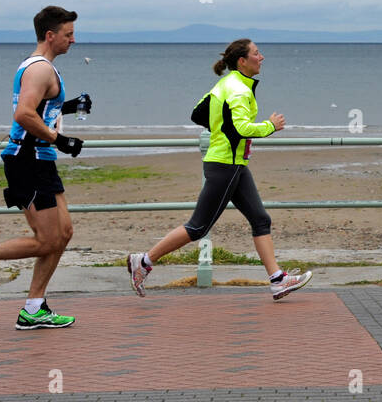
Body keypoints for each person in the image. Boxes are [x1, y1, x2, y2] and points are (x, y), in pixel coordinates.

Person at [126, 39, 311, 299]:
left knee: (260, 219)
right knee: (198, 227)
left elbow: (198, 113)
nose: (262, 57)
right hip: (226, 165)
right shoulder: (238, 89)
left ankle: (277, 279)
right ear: (242, 61)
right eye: (257, 54)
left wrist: (220, 127)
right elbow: (241, 129)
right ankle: (144, 261)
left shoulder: (226, 84)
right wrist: (270, 125)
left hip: (233, 164)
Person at [0, 6, 89, 329]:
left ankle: (34, 307)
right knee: (46, 239)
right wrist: (60, 139)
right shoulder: (39, 70)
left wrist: (68, 105)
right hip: (27, 162)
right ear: (50, 36)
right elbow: (23, 114)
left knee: (63, 234)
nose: (73, 40)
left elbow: (38, 107)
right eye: (68, 34)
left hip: (40, 161)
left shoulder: (42, 68)